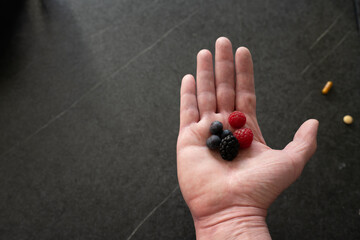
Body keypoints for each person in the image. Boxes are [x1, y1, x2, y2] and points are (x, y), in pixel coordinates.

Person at [176, 37, 319, 240]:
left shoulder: (230, 134)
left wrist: (231, 218)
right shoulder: (224, 136)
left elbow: (232, 138)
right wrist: (236, 219)